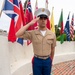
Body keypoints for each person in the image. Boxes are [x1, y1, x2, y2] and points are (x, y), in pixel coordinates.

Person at [16, 8, 56, 75]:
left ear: (47, 20)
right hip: (37, 61)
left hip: (47, 60)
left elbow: (52, 49)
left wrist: (51, 61)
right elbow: (18, 34)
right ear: (37, 20)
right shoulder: (32, 33)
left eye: (45, 18)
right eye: (41, 18)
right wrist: (30, 23)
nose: (43, 20)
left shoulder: (52, 34)